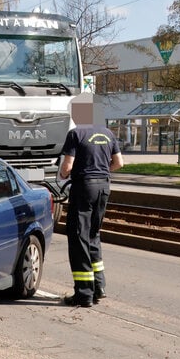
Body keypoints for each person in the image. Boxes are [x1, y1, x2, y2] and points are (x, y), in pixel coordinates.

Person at [58, 120, 124, 307]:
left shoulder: (75, 134)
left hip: (84, 188)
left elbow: (67, 167)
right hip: (104, 187)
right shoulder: (108, 134)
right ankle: (99, 287)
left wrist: (64, 175)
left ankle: (84, 294)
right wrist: (100, 171)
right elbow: (119, 163)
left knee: (79, 238)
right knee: (93, 235)